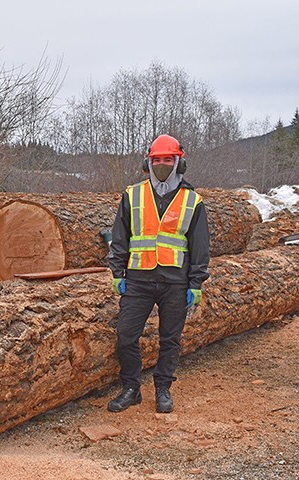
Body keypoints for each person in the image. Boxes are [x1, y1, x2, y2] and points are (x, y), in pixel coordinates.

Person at [107, 134, 210, 414]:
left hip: (175, 282)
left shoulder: (193, 200)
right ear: (147, 162)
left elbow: (200, 246)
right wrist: (118, 272)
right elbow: (120, 237)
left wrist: (196, 282)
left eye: (168, 159)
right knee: (126, 335)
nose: (162, 164)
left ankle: (163, 388)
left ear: (179, 162)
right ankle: (131, 388)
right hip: (138, 279)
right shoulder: (133, 194)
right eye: (156, 160)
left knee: (170, 339)